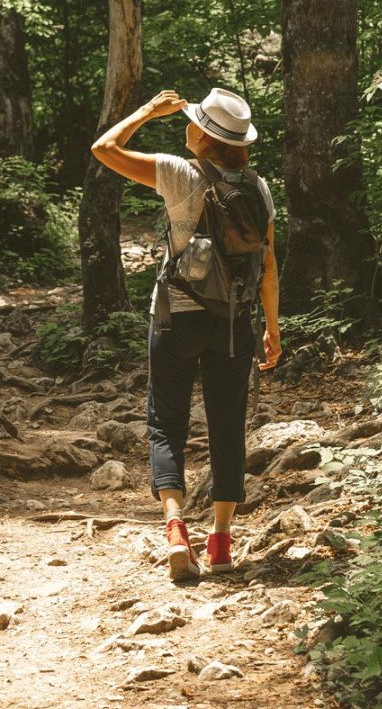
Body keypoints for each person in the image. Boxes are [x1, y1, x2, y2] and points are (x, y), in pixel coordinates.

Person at [91, 87, 281, 580]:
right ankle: (220, 544)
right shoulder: (259, 189)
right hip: (236, 326)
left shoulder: (180, 173)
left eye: (192, 121)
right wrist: (273, 329)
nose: (186, 125)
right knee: (227, 428)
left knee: (166, 423)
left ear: (203, 134)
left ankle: (176, 529)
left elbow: (104, 149)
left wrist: (147, 110)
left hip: (176, 319)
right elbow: (269, 266)